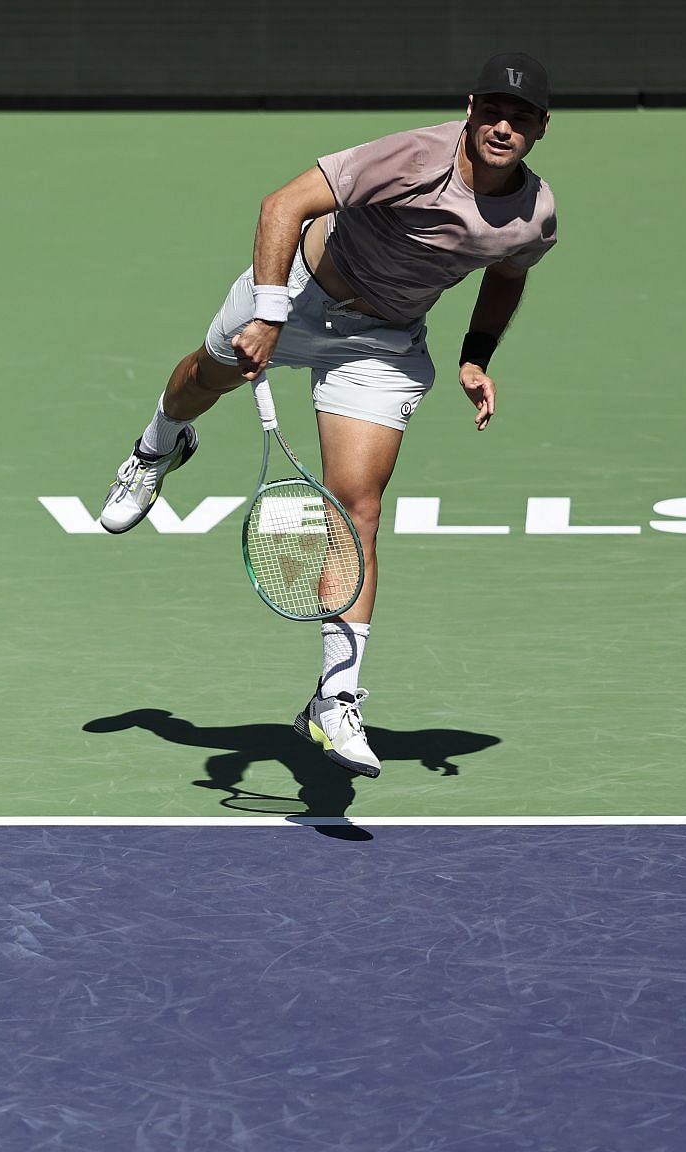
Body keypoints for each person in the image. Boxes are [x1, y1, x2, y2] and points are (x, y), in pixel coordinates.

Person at [98, 53, 559, 779]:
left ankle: (335, 697)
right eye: (494, 111)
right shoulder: (411, 157)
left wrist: (477, 355)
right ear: (470, 108)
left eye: (522, 117)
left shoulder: (533, 212)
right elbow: (283, 204)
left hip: (381, 344)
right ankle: (157, 447)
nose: (504, 127)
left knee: (357, 510)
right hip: (301, 293)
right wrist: (271, 315)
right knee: (202, 378)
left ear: (541, 128)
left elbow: (507, 270)